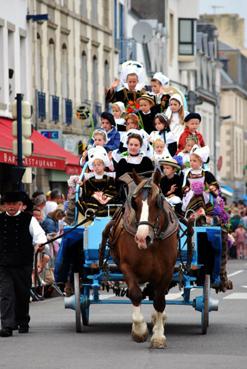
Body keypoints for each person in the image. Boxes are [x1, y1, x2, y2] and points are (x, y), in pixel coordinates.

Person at [0, 191, 47, 337]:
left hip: (23, 263)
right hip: (4, 264)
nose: (11, 207)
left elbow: (40, 235)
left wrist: (40, 244)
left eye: (15, 204)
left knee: (22, 293)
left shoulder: (29, 219)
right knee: (6, 294)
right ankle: (7, 325)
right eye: (8, 204)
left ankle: (23, 321)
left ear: (20, 205)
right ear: (4, 206)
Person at [182, 146, 216, 217]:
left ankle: (201, 214)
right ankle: (191, 214)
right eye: (190, 160)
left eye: (194, 161)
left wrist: (207, 188)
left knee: (199, 196)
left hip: (203, 194)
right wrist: (188, 188)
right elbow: (186, 186)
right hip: (191, 194)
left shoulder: (206, 174)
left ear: (200, 162)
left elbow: (214, 186)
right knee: (192, 195)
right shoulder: (189, 173)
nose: (192, 163)